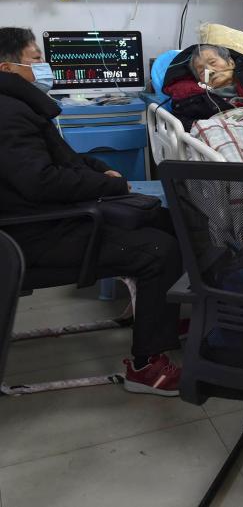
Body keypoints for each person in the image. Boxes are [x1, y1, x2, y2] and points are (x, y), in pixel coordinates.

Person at [0, 27, 183, 396]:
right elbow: (40, 181)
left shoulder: (17, 107)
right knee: (159, 251)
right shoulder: (8, 114)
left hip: (46, 217)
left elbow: (52, 160)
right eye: (36, 59)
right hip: (33, 236)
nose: (44, 66)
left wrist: (96, 167)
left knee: (165, 219)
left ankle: (154, 313)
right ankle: (146, 367)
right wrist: (112, 185)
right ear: (7, 68)